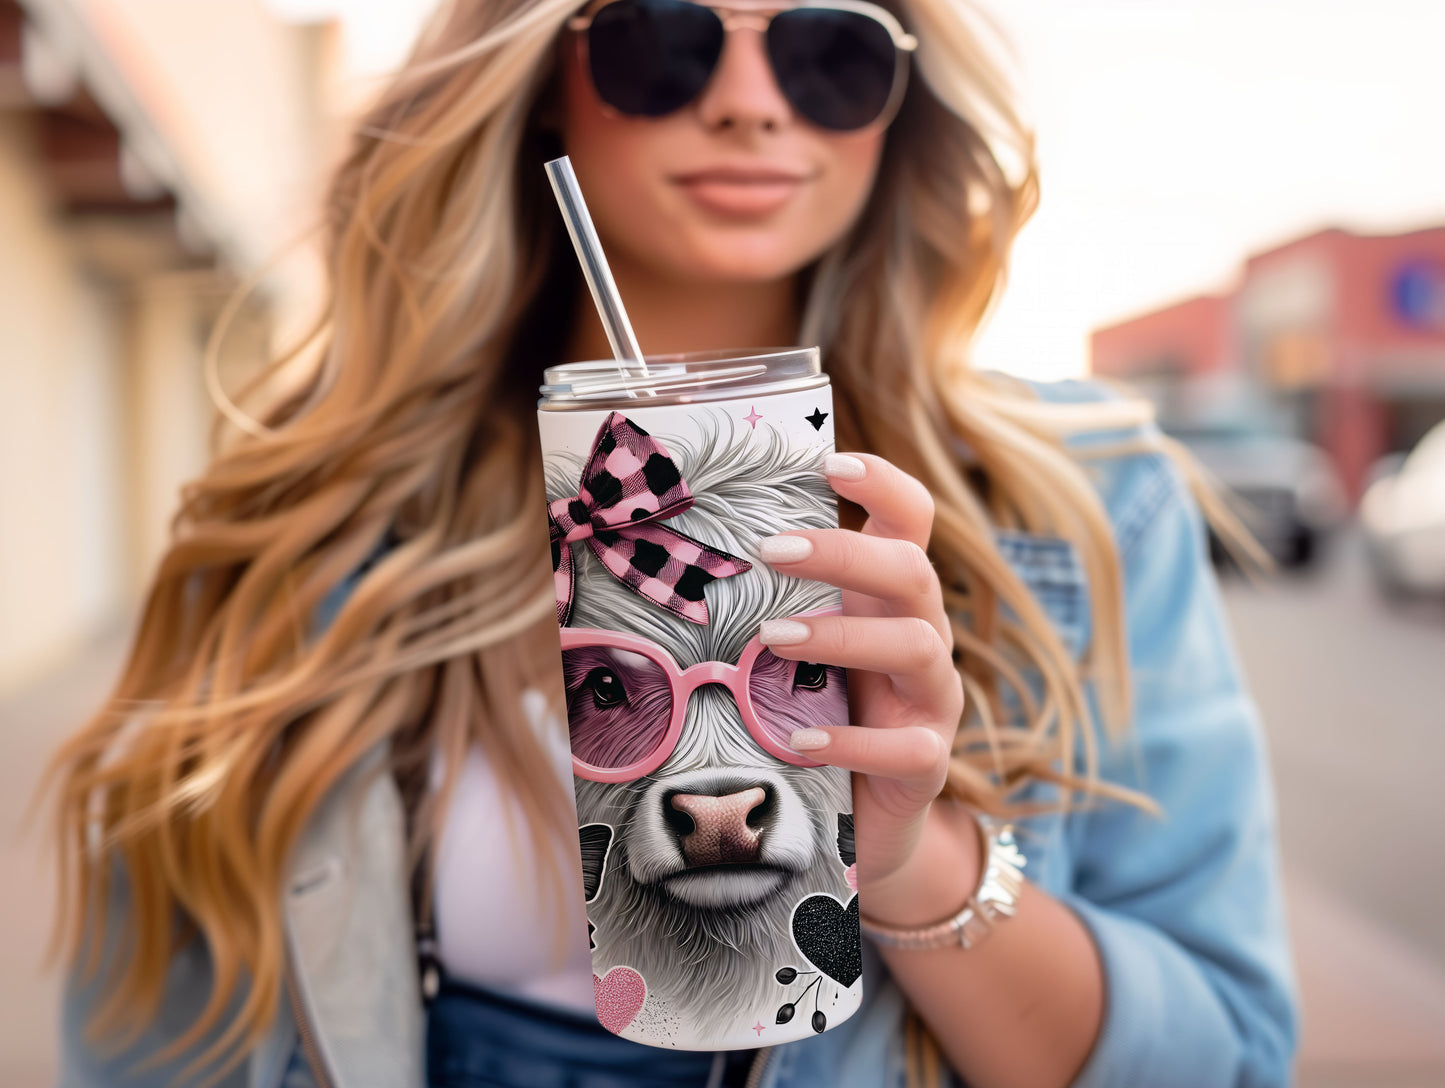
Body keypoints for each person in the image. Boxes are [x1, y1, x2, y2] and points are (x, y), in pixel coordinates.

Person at [47, 0, 1298, 1085]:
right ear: (544, 69)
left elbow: (1224, 1057)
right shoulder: (313, 516)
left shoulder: (1085, 502)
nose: (750, 102)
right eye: (664, 36)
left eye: (828, 49)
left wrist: (911, 858)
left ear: (896, 99)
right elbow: (154, 1027)